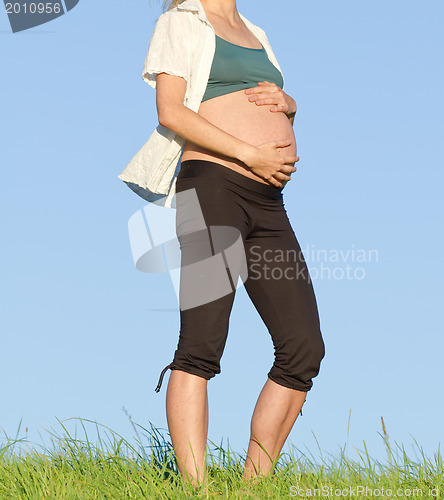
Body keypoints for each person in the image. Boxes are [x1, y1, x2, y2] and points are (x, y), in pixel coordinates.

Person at [118, 0, 326, 489]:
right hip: (211, 187)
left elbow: (266, 102)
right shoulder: (180, 22)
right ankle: (196, 489)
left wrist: (290, 104)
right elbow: (171, 111)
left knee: (303, 348)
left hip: (268, 202)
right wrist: (250, 152)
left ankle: (255, 487)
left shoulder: (254, 31)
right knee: (202, 341)